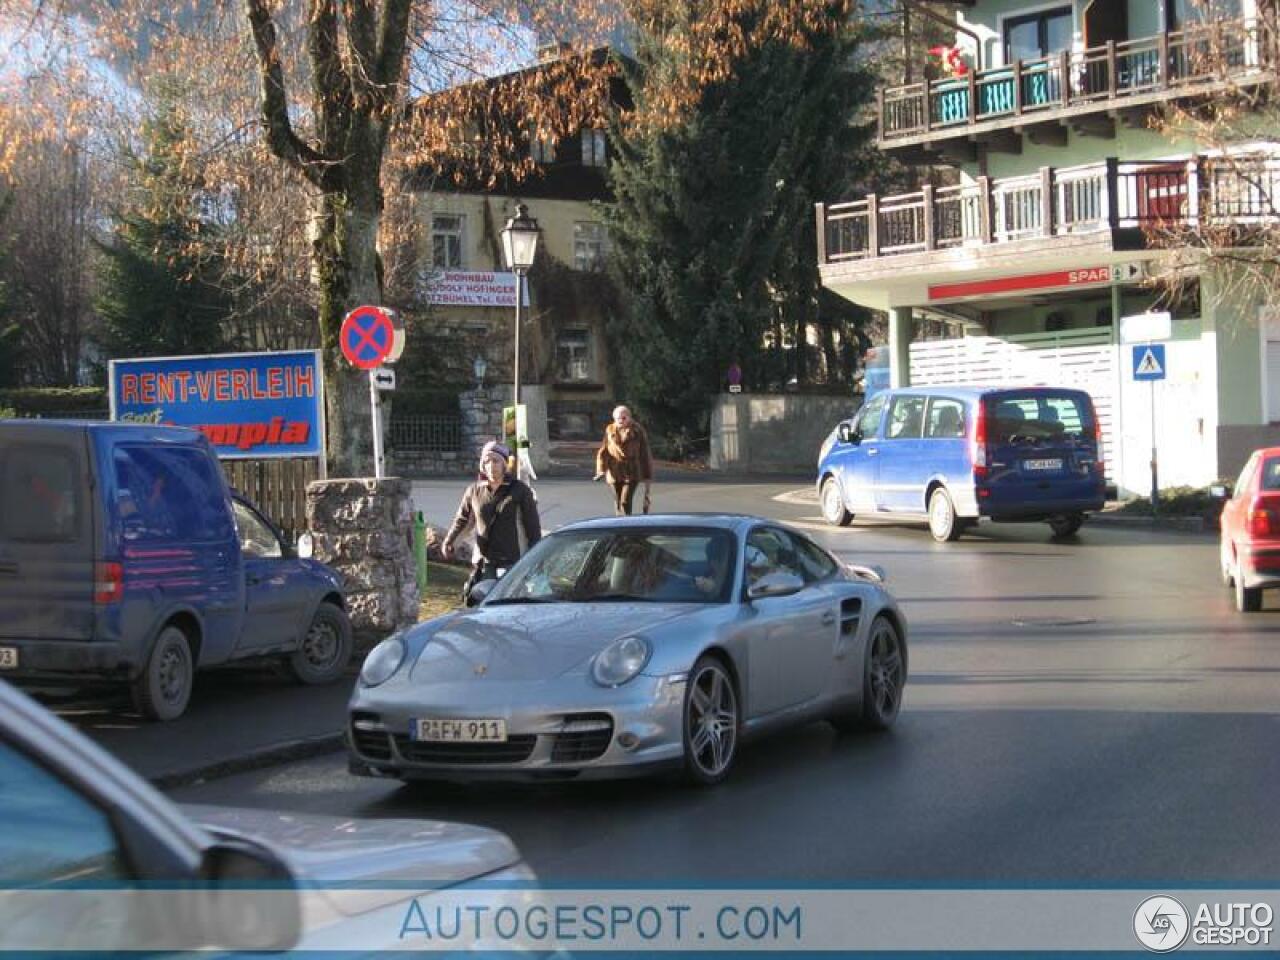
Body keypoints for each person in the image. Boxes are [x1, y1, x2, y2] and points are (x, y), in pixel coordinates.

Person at [441, 440, 542, 605]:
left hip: (514, 561)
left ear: (504, 465)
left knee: (511, 604)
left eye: (496, 461)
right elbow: (463, 519)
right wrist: (449, 541)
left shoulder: (520, 490)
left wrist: (535, 557)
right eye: (487, 461)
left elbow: (533, 527)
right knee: (484, 603)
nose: (491, 465)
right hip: (486, 561)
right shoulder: (474, 491)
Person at [594, 405, 654, 516]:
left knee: (625, 500)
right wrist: (601, 470)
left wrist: (647, 475)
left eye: (624, 417)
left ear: (629, 417)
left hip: (632, 471)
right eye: (618, 418)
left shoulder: (637, 430)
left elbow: (645, 453)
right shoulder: (610, 429)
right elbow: (604, 450)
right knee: (617, 501)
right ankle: (619, 524)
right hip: (614, 471)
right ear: (614, 419)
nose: (621, 420)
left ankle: (627, 523)